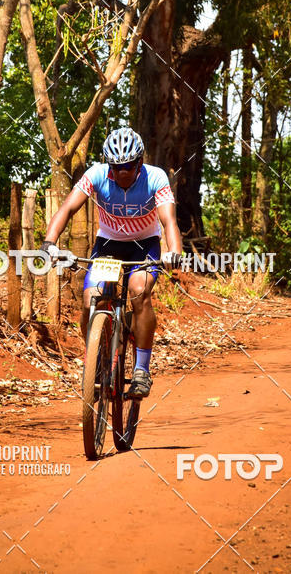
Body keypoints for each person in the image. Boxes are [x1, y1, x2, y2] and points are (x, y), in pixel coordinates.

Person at [40, 127, 183, 398]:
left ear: (139, 162)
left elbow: (168, 221)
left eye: (128, 166)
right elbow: (68, 207)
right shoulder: (95, 175)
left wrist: (173, 251)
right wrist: (50, 242)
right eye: (115, 167)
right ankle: (96, 356)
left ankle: (141, 370)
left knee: (139, 293)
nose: (121, 173)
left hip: (145, 245)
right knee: (90, 299)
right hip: (108, 244)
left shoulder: (156, 177)